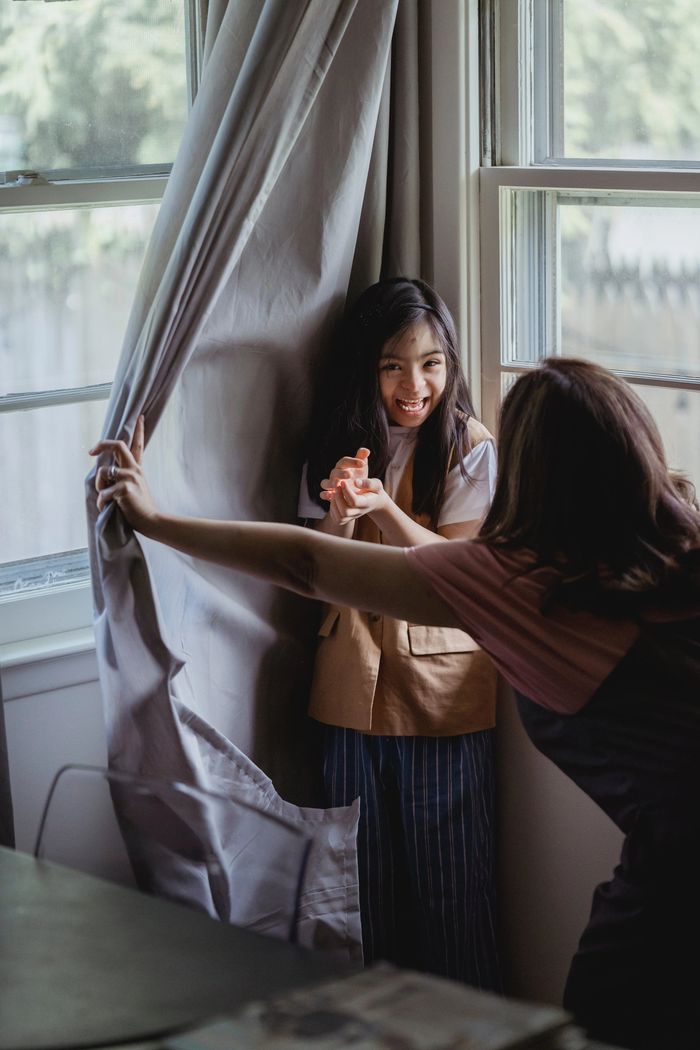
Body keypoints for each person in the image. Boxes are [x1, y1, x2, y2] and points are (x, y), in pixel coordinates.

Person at [92, 357, 700, 1050]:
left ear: (534, 474)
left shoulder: (531, 585)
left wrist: (155, 518)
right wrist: (382, 510)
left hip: (679, 874)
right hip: (669, 858)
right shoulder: (680, 536)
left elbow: (309, 565)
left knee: (604, 1017)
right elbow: (440, 575)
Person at [297, 277, 500, 988]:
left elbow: (448, 567)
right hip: (348, 683)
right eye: (393, 365)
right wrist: (342, 513)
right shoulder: (336, 442)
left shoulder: (471, 447)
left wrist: (381, 505)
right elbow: (315, 562)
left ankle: (480, 1032)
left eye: (431, 363)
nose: (415, 385)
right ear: (367, 369)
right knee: (361, 889)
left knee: (453, 894)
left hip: (442, 690)